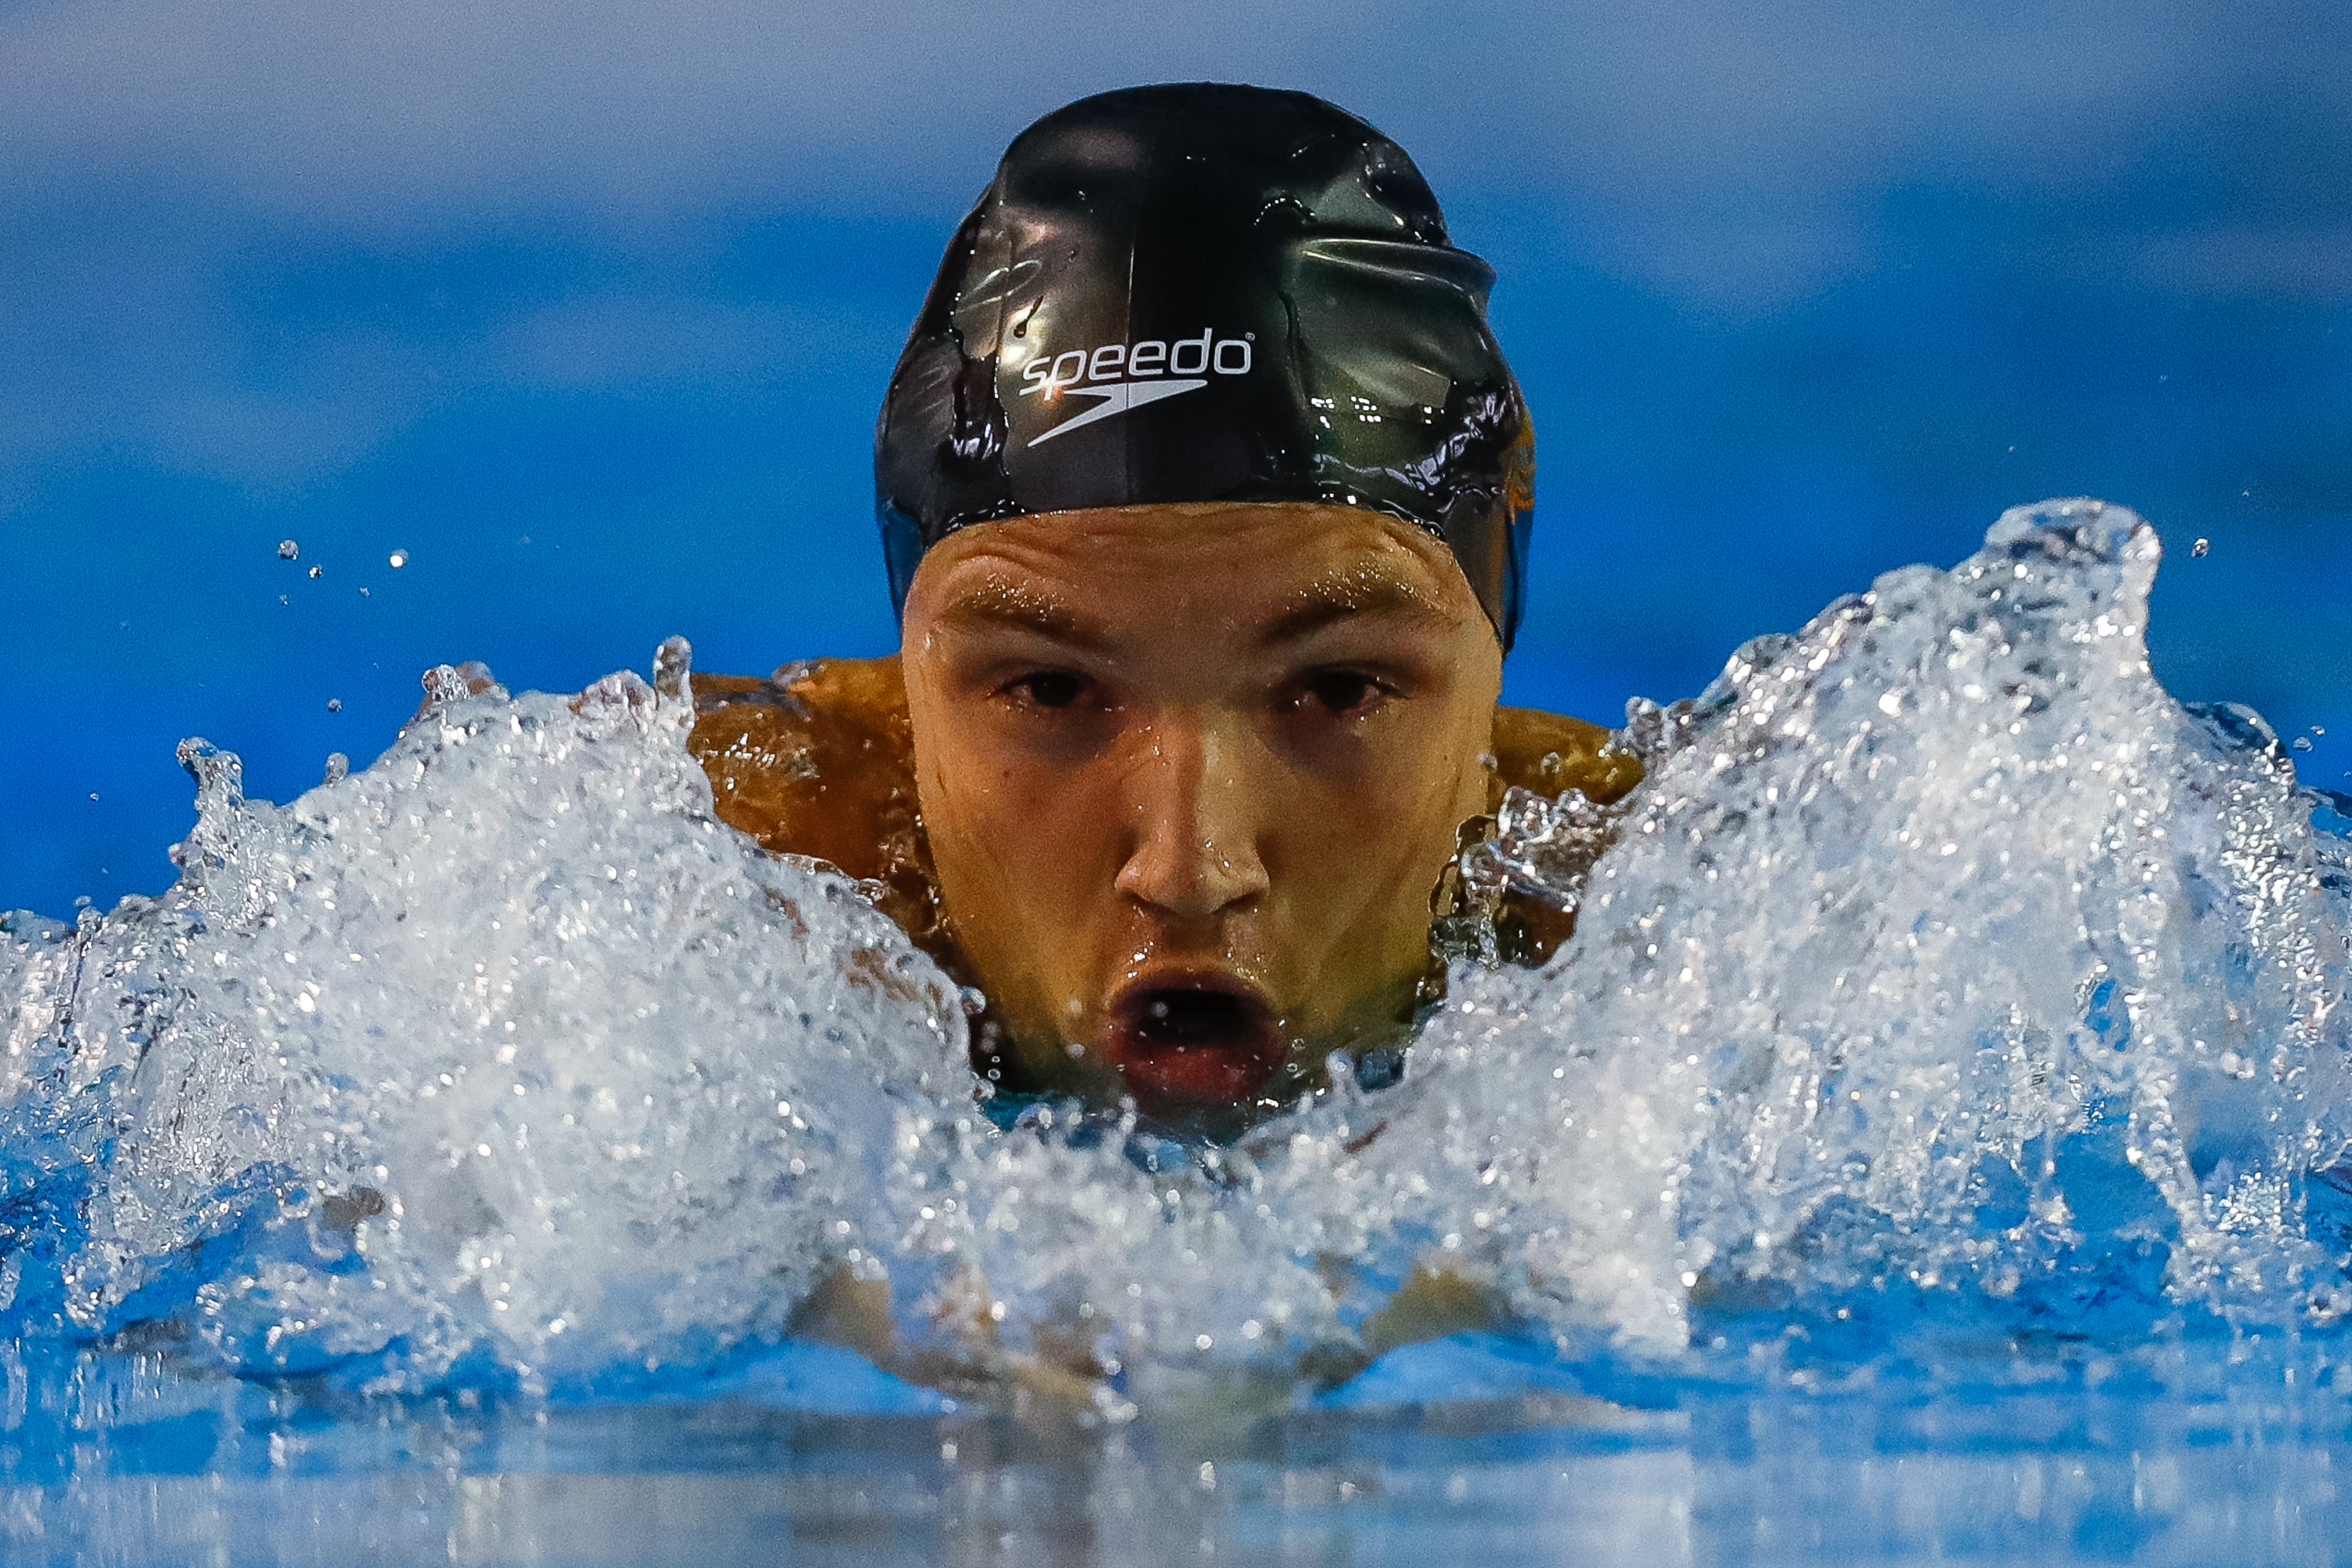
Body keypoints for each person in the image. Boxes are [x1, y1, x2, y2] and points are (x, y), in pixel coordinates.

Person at [688, 84, 1639, 1138]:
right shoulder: (710, 879)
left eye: (1336, 688)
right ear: (914, 677)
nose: (1191, 870)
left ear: (1490, 670)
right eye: (1049, 687)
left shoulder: (1659, 915)